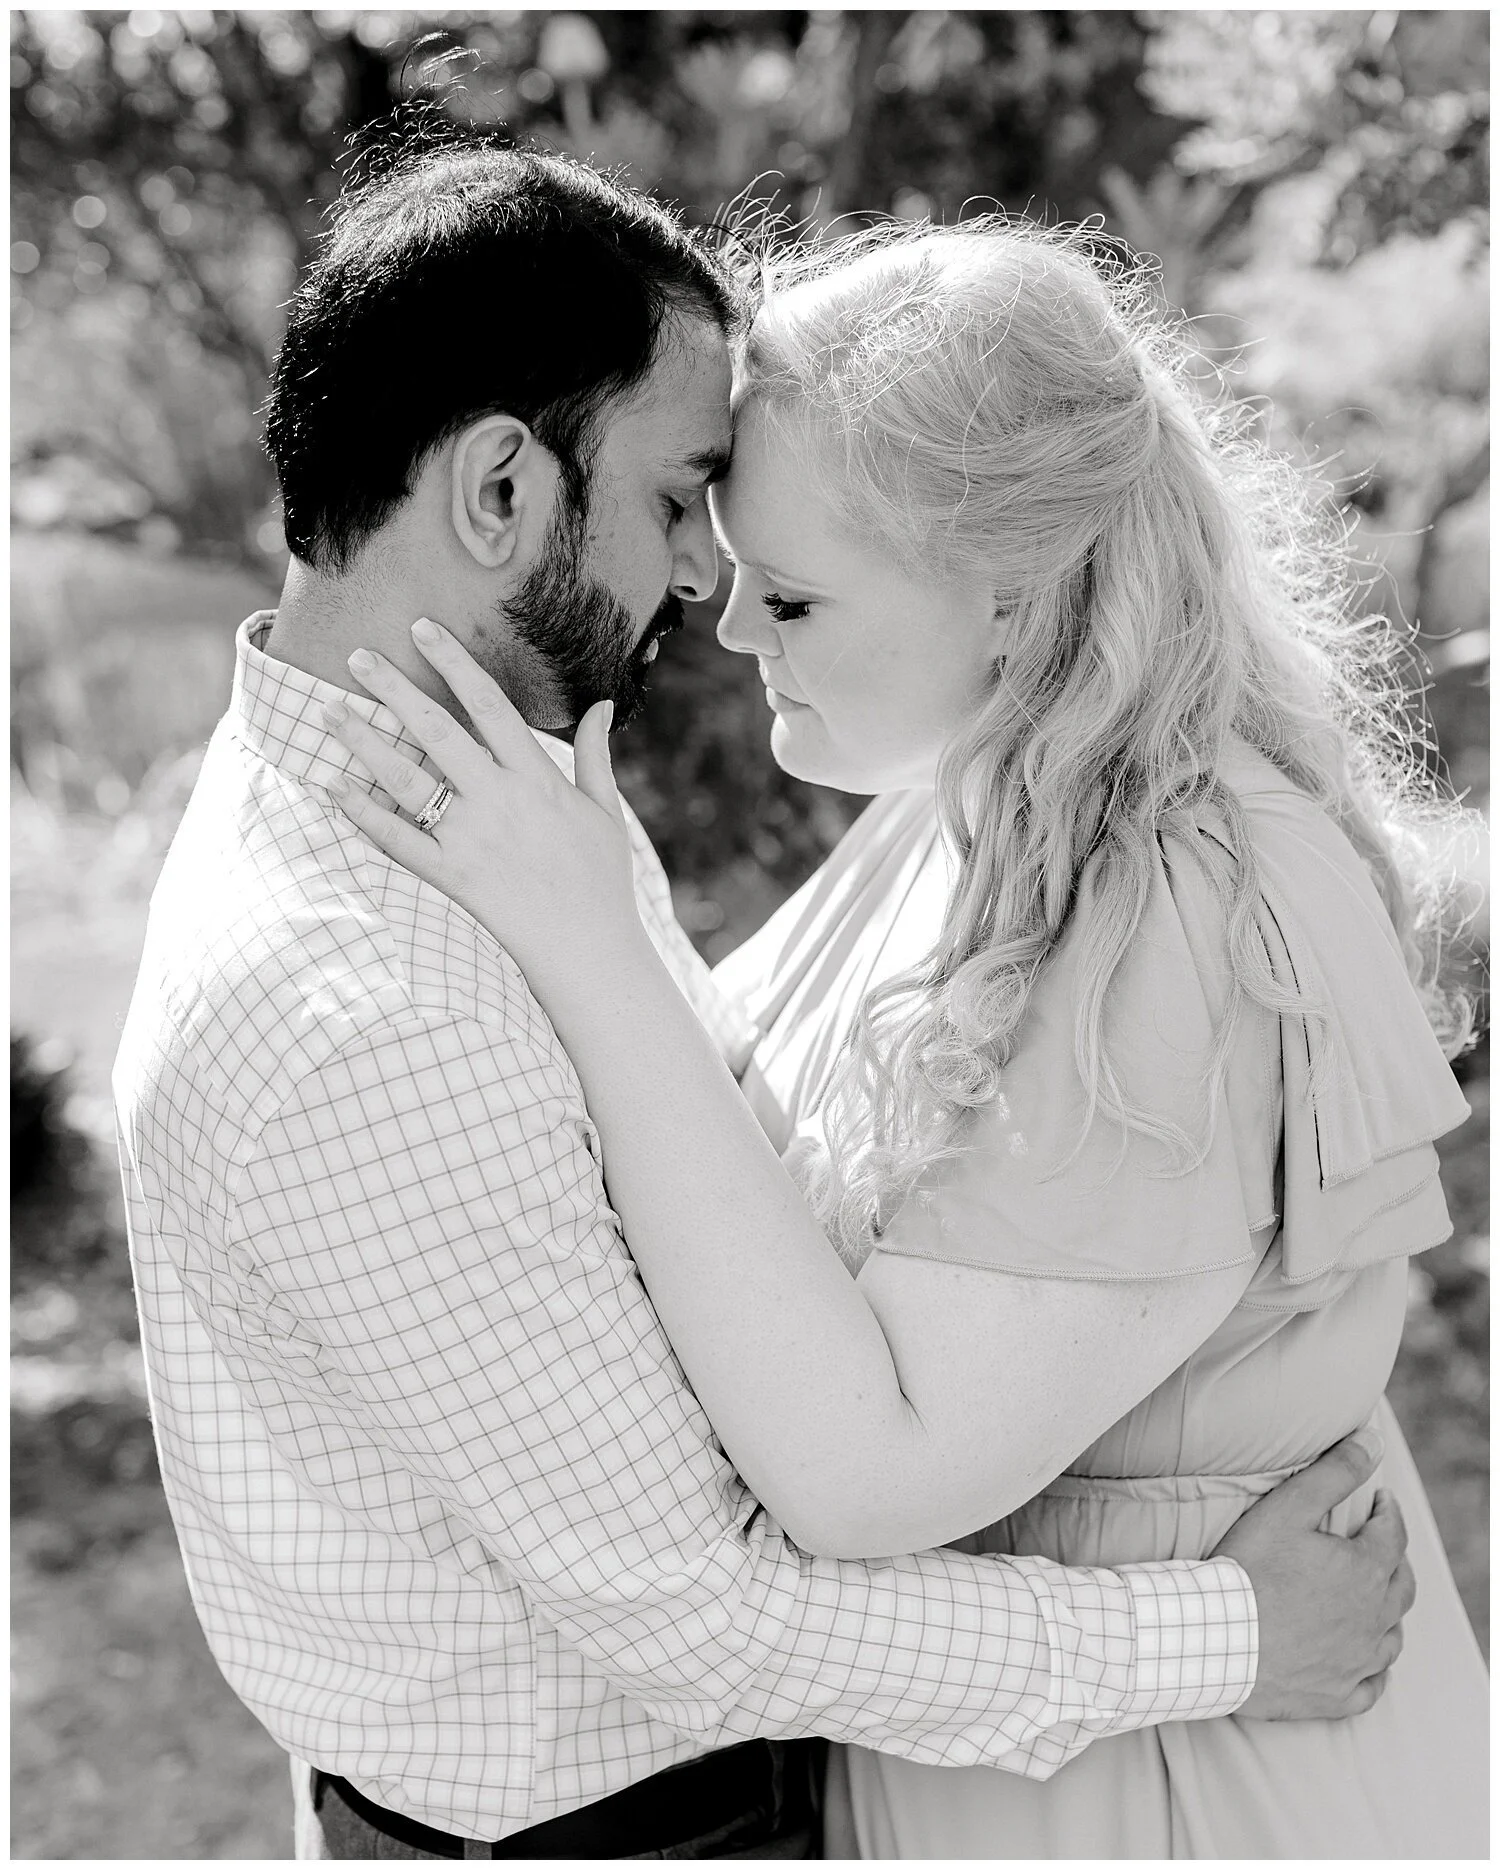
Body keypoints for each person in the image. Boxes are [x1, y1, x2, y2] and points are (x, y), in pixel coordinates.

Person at [114, 140, 1410, 1862]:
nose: (711, 605)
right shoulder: (373, 993)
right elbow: (706, 1608)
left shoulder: (503, 784)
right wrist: (1229, 1634)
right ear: (501, 491)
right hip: (625, 1818)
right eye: (680, 504)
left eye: (779, 579)